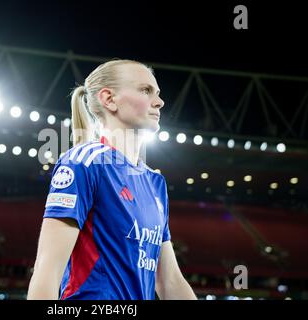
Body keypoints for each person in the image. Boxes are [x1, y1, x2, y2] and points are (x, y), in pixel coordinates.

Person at [27, 59, 196, 300]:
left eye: (157, 93)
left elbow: (169, 281)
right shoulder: (83, 163)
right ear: (109, 99)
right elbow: (47, 271)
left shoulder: (155, 183)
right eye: (146, 90)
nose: (159, 102)